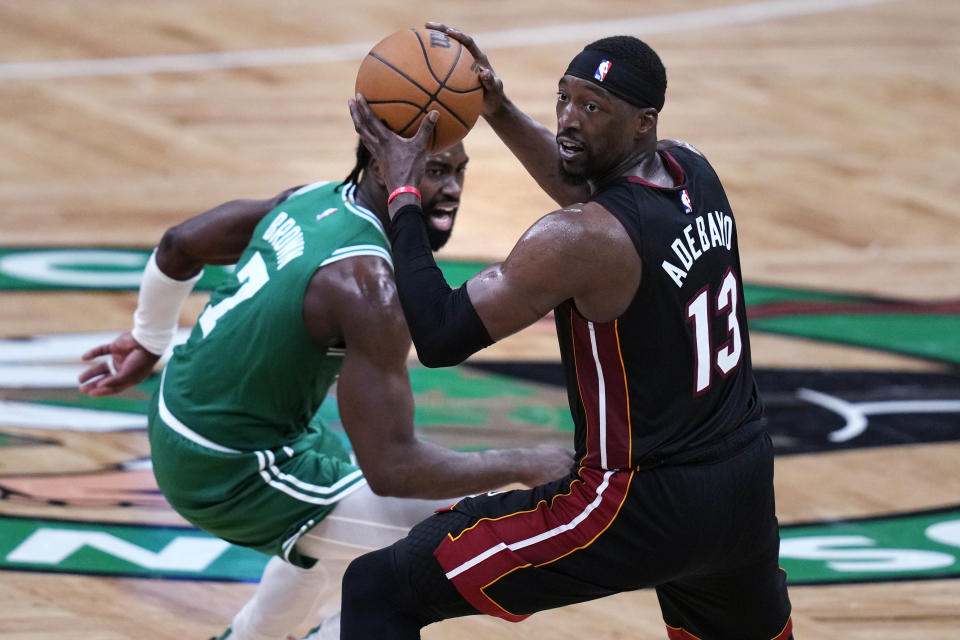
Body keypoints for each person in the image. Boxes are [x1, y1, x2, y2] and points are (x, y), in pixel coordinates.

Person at [343, 22, 794, 640]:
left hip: (632, 503)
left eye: (592, 108)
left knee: (378, 590)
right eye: (564, 98)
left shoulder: (580, 239)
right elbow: (582, 183)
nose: (568, 119)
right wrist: (496, 108)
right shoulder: (695, 171)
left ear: (642, 122)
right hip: (741, 487)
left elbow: (442, 336)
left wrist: (401, 190)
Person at [77, 139, 573, 640]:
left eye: (459, 171)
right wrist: (522, 464)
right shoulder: (367, 285)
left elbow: (179, 244)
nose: (452, 190)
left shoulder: (311, 198)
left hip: (200, 410)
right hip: (227, 464)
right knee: (446, 536)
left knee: (333, 548)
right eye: (435, 171)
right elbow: (394, 470)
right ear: (383, 166)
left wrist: (149, 337)